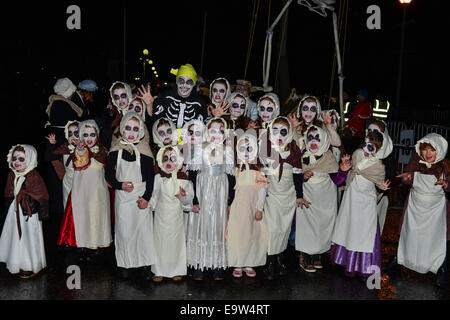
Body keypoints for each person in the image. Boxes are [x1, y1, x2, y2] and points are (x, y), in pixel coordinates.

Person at [330, 130, 392, 279]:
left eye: (372, 147)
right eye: (366, 145)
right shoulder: (357, 155)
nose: (367, 150)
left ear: (379, 150)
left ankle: (364, 266)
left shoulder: (378, 166)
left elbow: (378, 182)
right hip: (351, 198)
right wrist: (345, 167)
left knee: (364, 233)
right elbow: (349, 172)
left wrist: (380, 187)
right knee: (348, 227)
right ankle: (343, 260)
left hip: (365, 202)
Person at [105, 112, 156, 280]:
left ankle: (145, 264)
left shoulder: (145, 150)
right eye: (128, 128)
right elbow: (109, 176)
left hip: (140, 195)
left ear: (141, 130)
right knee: (124, 231)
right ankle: (125, 263)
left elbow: (150, 177)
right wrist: (119, 185)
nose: (132, 132)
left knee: (143, 232)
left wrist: (147, 198)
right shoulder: (116, 150)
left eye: (136, 129)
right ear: (122, 129)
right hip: (123, 197)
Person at [395, 133, 449, 287]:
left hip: (435, 211)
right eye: (425, 150)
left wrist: (446, 184)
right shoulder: (415, 160)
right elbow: (408, 178)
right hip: (414, 207)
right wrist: (406, 179)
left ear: (439, 150)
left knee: (433, 240)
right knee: (410, 235)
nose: (428, 154)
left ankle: (439, 268)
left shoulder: (445, 165)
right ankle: (400, 260)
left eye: (432, 150)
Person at [295, 125, 351, 272]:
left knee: (321, 226)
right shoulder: (302, 156)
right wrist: (304, 177)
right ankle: (305, 256)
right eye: (310, 138)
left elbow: (337, 180)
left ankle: (317, 255)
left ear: (325, 140)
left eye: (317, 138)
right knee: (307, 227)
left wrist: (343, 171)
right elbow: (295, 178)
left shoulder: (328, 157)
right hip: (307, 196)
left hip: (325, 198)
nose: (313, 141)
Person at [186, 117, 235, 281]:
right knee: (203, 224)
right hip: (203, 190)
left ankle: (217, 264)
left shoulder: (227, 150)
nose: (217, 134)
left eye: (221, 131)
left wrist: (229, 201)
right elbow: (192, 175)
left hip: (220, 192)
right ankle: (200, 263)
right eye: (213, 130)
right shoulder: (199, 149)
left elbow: (231, 176)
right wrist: (194, 198)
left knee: (218, 225)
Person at [57, 120, 112, 262]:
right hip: (81, 192)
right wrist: (80, 150)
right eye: (85, 135)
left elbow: (108, 169)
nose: (89, 138)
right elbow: (80, 161)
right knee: (82, 219)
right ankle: (82, 245)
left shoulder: (102, 151)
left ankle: (96, 246)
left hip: (98, 192)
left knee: (96, 219)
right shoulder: (79, 151)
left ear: (97, 136)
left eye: (92, 135)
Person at [259, 116, 306, 280]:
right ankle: (270, 262)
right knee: (272, 229)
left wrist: (299, 196)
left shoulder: (294, 150)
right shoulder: (266, 149)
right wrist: (262, 190)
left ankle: (279, 260)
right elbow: (261, 173)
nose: (279, 135)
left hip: (288, 194)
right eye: (275, 131)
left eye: (283, 131)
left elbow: (298, 176)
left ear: (290, 133)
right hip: (271, 192)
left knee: (284, 229)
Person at [0, 144, 49, 278]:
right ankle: (15, 261)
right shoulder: (12, 175)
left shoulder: (33, 176)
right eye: (14, 158)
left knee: (29, 237)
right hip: (15, 210)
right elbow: (9, 192)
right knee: (14, 236)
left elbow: (41, 195)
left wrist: (37, 208)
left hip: (29, 213)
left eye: (21, 159)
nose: (16, 162)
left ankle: (31, 264)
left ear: (30, 159)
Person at [149, 145, 194, 282]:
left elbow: (188, 204)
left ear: (179, 161)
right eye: (166, 158)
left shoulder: (183, 179)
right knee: (160, 243)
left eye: (173, 159)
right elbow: (154, 196)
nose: (169, 162)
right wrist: (147, 204)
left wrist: (183, 196)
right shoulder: (158, 178)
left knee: (175, 243)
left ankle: (177, 270)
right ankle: (159, 270)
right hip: (161, 215)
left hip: (176, 215)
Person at [227, 133, 268, 278]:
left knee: (253, 234)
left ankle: (250, 262)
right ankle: (238, 262)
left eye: (249, 148)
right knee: (238, 235)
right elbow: (231, 187)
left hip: (253, 206)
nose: (245, 152)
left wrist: (259, 208)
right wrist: (229, 204)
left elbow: (262, 189)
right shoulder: (235, 168)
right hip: (238, 207)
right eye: (242, 148)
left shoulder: (259, 169)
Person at [146, 63, 210, 131]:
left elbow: (203, 128)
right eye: (181, 81)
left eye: (189, 82)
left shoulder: (200, 102)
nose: (184, 85)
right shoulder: (164, 97)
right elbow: (153, 124)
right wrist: (149, 105)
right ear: (176, 81)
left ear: (193, 84)